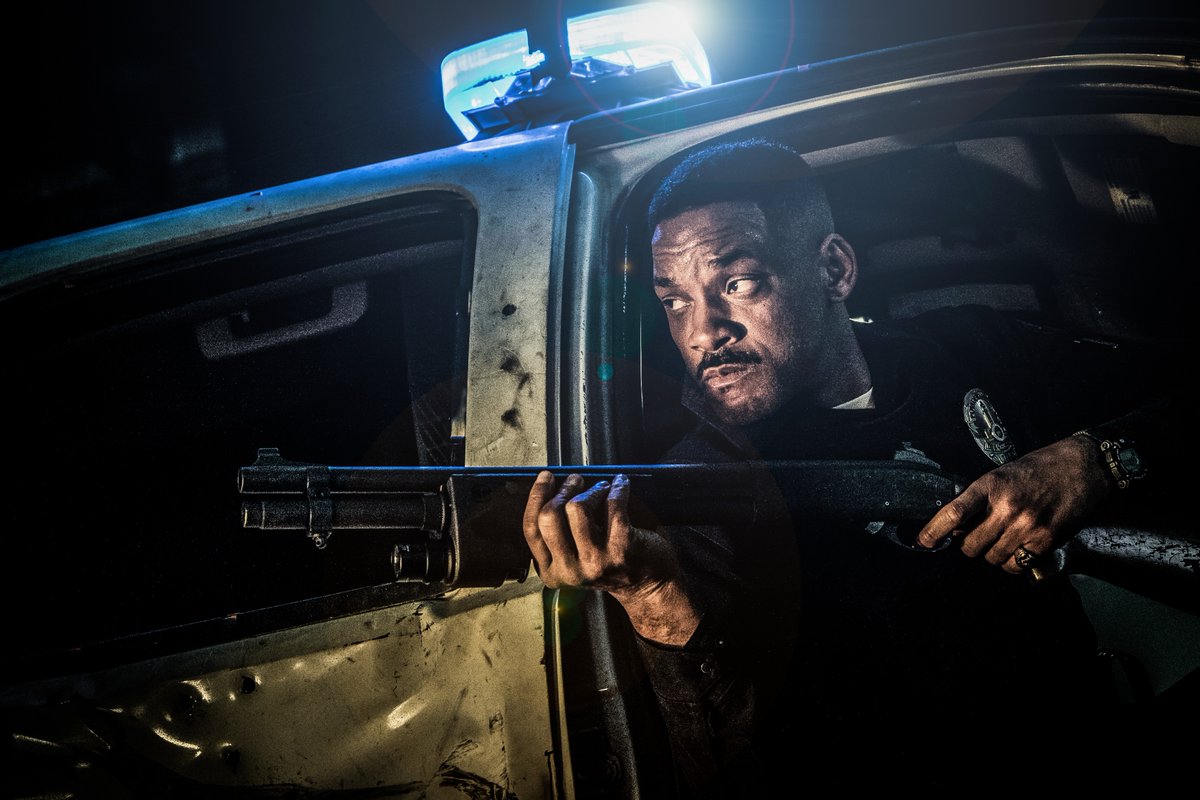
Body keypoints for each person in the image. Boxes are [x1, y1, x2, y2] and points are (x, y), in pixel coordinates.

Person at [522, 138, 1181, 795]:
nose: (702, 332)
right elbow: (732, 768)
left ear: (834, 269)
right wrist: (654, 598)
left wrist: (1099, 459)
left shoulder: (965, 346)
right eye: (675, 301)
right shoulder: (699, 487)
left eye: (737, 283)